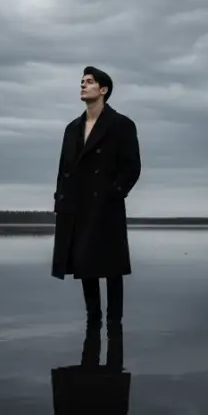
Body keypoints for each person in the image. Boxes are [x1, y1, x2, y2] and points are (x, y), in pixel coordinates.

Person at [51, 68, 141, 326]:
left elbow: (132, 167)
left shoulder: (121, 124)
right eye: (82, 82)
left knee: (112, 268)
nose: (83, 85)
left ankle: (114, 324)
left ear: (103, 90)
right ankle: (93, 321)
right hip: (76, 204)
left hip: (105, 205)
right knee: (84, 264)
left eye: (89, 82)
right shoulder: (72, 128)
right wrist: (60, 199)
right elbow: (64, 168)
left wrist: (114, 193)